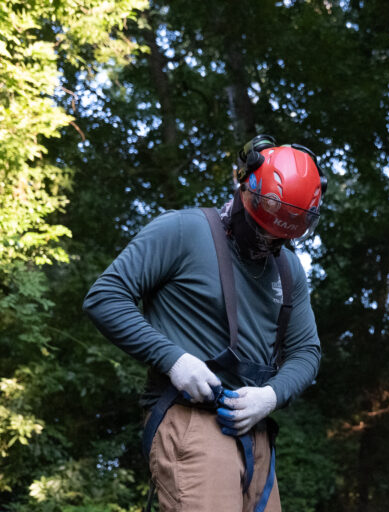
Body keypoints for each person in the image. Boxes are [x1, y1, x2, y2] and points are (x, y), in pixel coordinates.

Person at [83, 134, 325, 512]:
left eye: (279, 238)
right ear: (244, 188)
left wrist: (271, 396)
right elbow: (105, 297)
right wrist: (173, 360)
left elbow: (306, 351)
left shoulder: (289, 268)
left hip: (256, 431)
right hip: (192, 421)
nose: (267, 243)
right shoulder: (183, 231)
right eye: (261, 229)